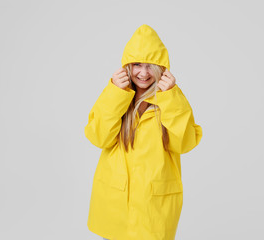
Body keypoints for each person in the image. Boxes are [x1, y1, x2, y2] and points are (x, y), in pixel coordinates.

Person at [84, 24, 203, 240]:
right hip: (115, 201)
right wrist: (115, 94)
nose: (143, 73)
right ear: (127, 66)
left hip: (153, 206)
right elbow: (98, 137)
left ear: (162, 68)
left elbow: (185, 143)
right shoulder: (115, 94)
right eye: (137, 64)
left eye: (151, 65)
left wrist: (170, 98)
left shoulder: (172, 98)